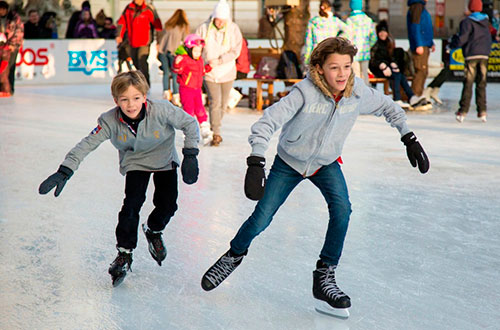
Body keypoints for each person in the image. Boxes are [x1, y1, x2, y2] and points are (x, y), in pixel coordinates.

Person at [200, 37, 430, 318]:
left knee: (343, 211)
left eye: (347, 66)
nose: (342, 73)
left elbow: (389, 107)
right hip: (289, 162)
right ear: (320, 68)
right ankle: (234, 254)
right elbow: (267, 121)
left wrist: (408, 137)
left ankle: (325, 275)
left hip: (326, 163)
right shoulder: (304, 92)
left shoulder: (356, 92)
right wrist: (256, 160)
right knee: (261, 218)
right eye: (335, 67)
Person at [38, 70, 200, 287]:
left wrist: (190, 153)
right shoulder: (108, 121)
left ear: (144, 96)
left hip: (164, 160)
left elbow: (190, 123)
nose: (131, 105)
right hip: (135, 162)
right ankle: (124, 253)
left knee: (168, 205)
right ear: (116, 100)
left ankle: (153, 229)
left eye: (136, 98)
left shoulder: (162, 110)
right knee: (131, 205)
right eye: (124, 100)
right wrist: (66, 169)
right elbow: (87, 143)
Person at [196, 0, 243, 146]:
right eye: (217, 19)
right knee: (215, 102)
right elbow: (196, 45)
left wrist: (221, 60)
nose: (220, 23)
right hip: (210, 72)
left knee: (223, 104)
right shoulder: (204, 28)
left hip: (227, 71)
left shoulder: (233, 29)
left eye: (223, 20)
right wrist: (201, 61)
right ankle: (216, 133)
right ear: (213, 17)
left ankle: (214, 125)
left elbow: (236, 50)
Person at [370, 20, 429, 110]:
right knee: (396, 75)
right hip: (377, 69)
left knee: (400, 75)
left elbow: (389, 57)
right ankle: (397, 99)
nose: (383, 34)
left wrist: (393, 64)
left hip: (387, 68)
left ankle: (412, 97)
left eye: (384, 32)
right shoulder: (376, 44)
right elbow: (373, 60)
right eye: (381, 32)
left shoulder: (388, 43)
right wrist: (383, 66)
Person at [450, 0, 492, 123]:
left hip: (472, 55)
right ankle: (482, 111)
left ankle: (463, 111)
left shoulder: (467, 22)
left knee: (468, 83)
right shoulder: (486, 22)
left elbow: (462, 38)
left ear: (470, 8)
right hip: (484, 55)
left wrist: (452, 45)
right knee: (481, 83)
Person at [173, 34, 213, 145]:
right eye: (195, 51)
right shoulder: (184, 59)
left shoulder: (199, 60)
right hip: (186, 89)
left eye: (199, 51)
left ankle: (205, 130)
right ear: (189, 50)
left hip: (197, 89)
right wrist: (177, 63)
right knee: (189, 110)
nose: (197, 54)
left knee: (200, 109)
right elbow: (177, 70)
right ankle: (189, 133)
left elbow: (201, 72)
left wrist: (208, 67)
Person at [116, 0, 162, 86]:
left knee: (142, 61)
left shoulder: (149, 9)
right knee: (135, 62)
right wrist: (119, 35)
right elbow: (122, 22)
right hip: (132, 41)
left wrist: (159, 41)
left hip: (145, 41)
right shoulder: (129, 8)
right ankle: (140, 81)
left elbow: (157, 24)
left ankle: (146, 84)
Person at [303, 0, 349, 66]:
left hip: (317, 50)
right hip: (331, 49)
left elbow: (308, 41)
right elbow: (348, 30)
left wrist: (307, 58)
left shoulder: (313, 22)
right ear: (330, 8)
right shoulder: (335, 21)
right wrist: (337, 39)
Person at [407, 0, 434, 110]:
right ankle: (415, 97)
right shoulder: (417, 6)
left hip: (424, 43)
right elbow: (415, 26)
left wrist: (430, 42)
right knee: (420, 70)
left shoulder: (421, 6)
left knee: (424, 71)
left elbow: (425, 27)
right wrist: (418, 44)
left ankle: (419, 95)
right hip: (420, 45)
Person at [158, 9, 189, 104]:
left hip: (163, 51)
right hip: (174, 53)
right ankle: (176, 95)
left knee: (166, 73)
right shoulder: (183, 26)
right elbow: (185, 41)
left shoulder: (168, 25)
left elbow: (161, 38)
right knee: (175, 74)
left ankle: (166, 93)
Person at [345, 0, 377, 85]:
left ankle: (357, 95)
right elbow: (374, 37)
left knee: (356, 74)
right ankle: (366, 95)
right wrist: (368, 46)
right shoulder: (368, 20)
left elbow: (347, 37)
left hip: (353, 51)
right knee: (365, 74)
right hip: (365, 51)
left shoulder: (350, 20)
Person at [0, 1, 23, 96]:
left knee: (9, 67)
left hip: (11, 47)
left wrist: (12, 45)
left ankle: (9, 89)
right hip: (1, 46)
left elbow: (19, 31)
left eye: (2, 10)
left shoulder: (14, 17)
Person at [0, 32, 10, 97]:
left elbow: (4, 62)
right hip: (2, 70)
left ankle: (6, 91)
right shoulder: (2, 49)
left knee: (4, 80)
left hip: (3, 70)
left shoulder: (4, 50)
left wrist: (0, 70)